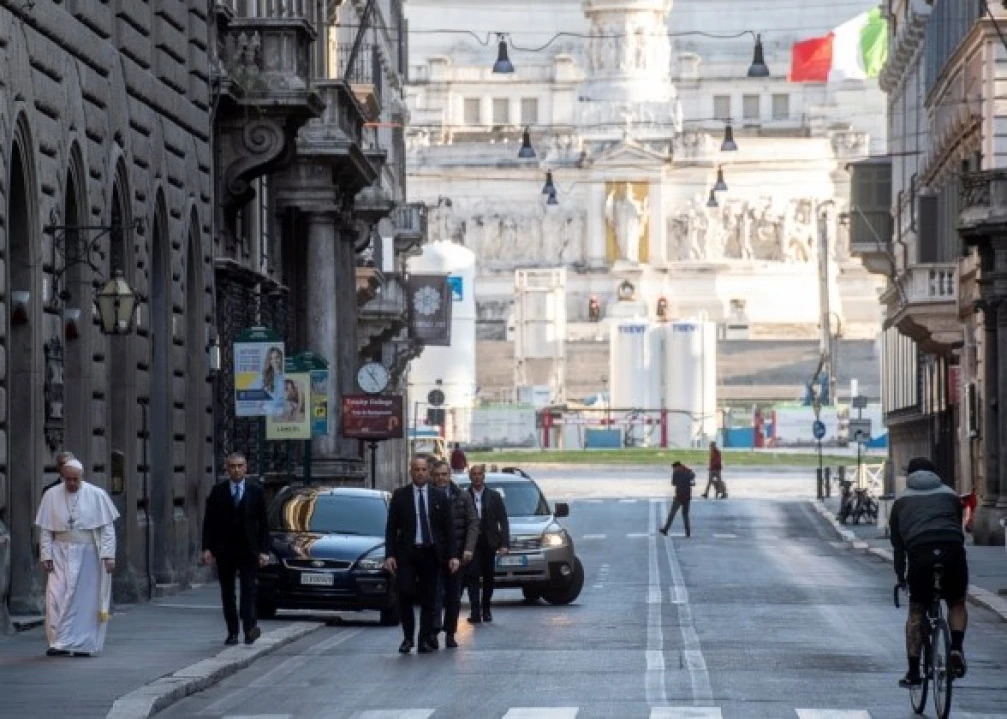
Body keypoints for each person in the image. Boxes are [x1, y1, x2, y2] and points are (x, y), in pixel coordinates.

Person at [890, 457, 969, 687]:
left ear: (909, 476)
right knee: (957, 602)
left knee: (916, 611)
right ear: (936, 474)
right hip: (951, 550)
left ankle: (914, 672)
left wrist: (900, 576)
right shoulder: (950, 494)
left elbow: (898, 545)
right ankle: (956, 648)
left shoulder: (901, 500)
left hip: (920, 553)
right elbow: (958, 527)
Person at [35, 458, 119, 657]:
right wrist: (46, 554)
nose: (72, 483)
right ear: (62, 477)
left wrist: (108, 555)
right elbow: (46, 529)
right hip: (60, 552)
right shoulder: (51, 495)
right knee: (55, 596)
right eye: (68, 479)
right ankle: (57, 643)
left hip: (88, 554)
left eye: (76, 479)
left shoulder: (96, 495)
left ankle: (83, 644)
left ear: (82, 477)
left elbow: (107, 529)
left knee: (85, 600)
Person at [384, 456, 458, 654]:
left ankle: (423, 638)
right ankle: (408, 637)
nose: (420, 473)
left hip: (431, 553)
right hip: (407, 554)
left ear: (428, 472)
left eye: (424, 469)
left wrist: (453, 555)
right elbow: (391, 528)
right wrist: (389, 555)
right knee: (405, 593)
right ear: (411, 472)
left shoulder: (439, 496)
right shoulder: (400, 496)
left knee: (429, 598)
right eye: (417, 469)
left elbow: (449, 529)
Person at [201, 452, 270, 646]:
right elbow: (209, 522)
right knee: (227, 593)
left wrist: (264, 551)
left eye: (240, 466)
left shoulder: (256, 491)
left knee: (249, 591)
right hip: (225, 550)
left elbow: (263, 524)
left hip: (249, 550)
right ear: (227, 469)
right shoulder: (218, 491)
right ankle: (232, 632)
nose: (236, 470)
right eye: (232, 466)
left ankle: (249, 630)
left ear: (246, 468)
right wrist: (207, 548)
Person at [430, 460, 478, 648]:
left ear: (449, 475)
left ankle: (450, 632)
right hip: (434, 555)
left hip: (457, 556)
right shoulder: (428, 496)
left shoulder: (462, 496)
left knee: (453, 597)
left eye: (444, 474)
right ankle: (433, 632)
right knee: (434, 597)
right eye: (437, 475)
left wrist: (468, 549)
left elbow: (473, 523)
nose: (441, 478)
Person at [466, 464, 510, 623]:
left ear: (483, 476)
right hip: (472, 543)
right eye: (474, 474)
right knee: (472, 576)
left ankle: (486, 609)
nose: (477, 477)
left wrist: (504, 543)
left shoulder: (494, 496)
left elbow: (503, 520)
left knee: (488, 577)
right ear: (470, 477)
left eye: (479, 474)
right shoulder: (465, 495)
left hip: (489, 542)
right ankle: (475, 611)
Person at [659, 461, 695, 538]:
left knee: (672, 513)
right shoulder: (688, 471)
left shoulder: (676, 472)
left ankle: (666, 529)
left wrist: (680, 482)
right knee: (685, 515)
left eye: (674, 468)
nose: (673, 470)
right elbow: (693, 479)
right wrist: (688, 483)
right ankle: (688, 532)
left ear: (676, 466)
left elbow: (673, 483)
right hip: (687, 495)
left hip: (679, 496)